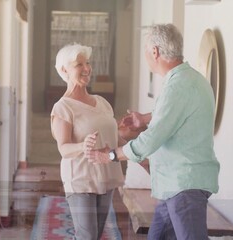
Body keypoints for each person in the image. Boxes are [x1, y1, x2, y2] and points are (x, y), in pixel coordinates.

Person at [86, 23, 220, 240]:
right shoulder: (189, 79)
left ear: (155, 51)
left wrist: (110, 155)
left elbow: (151, 139)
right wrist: (144, 119)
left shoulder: (178, 85)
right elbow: (175, 115)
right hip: (174, 188)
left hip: (184, 186)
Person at [50, 43, 125, 240]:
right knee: (87, 236)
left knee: (95, 235)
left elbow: (116, 140)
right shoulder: (62, 108)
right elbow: (63, 148)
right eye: (79, 64)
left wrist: (136, 141)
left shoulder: (102, 103)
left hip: (106, 176)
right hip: (80, 180)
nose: (87, 68)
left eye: (88, 63)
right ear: (64, 70)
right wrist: (83, 147)